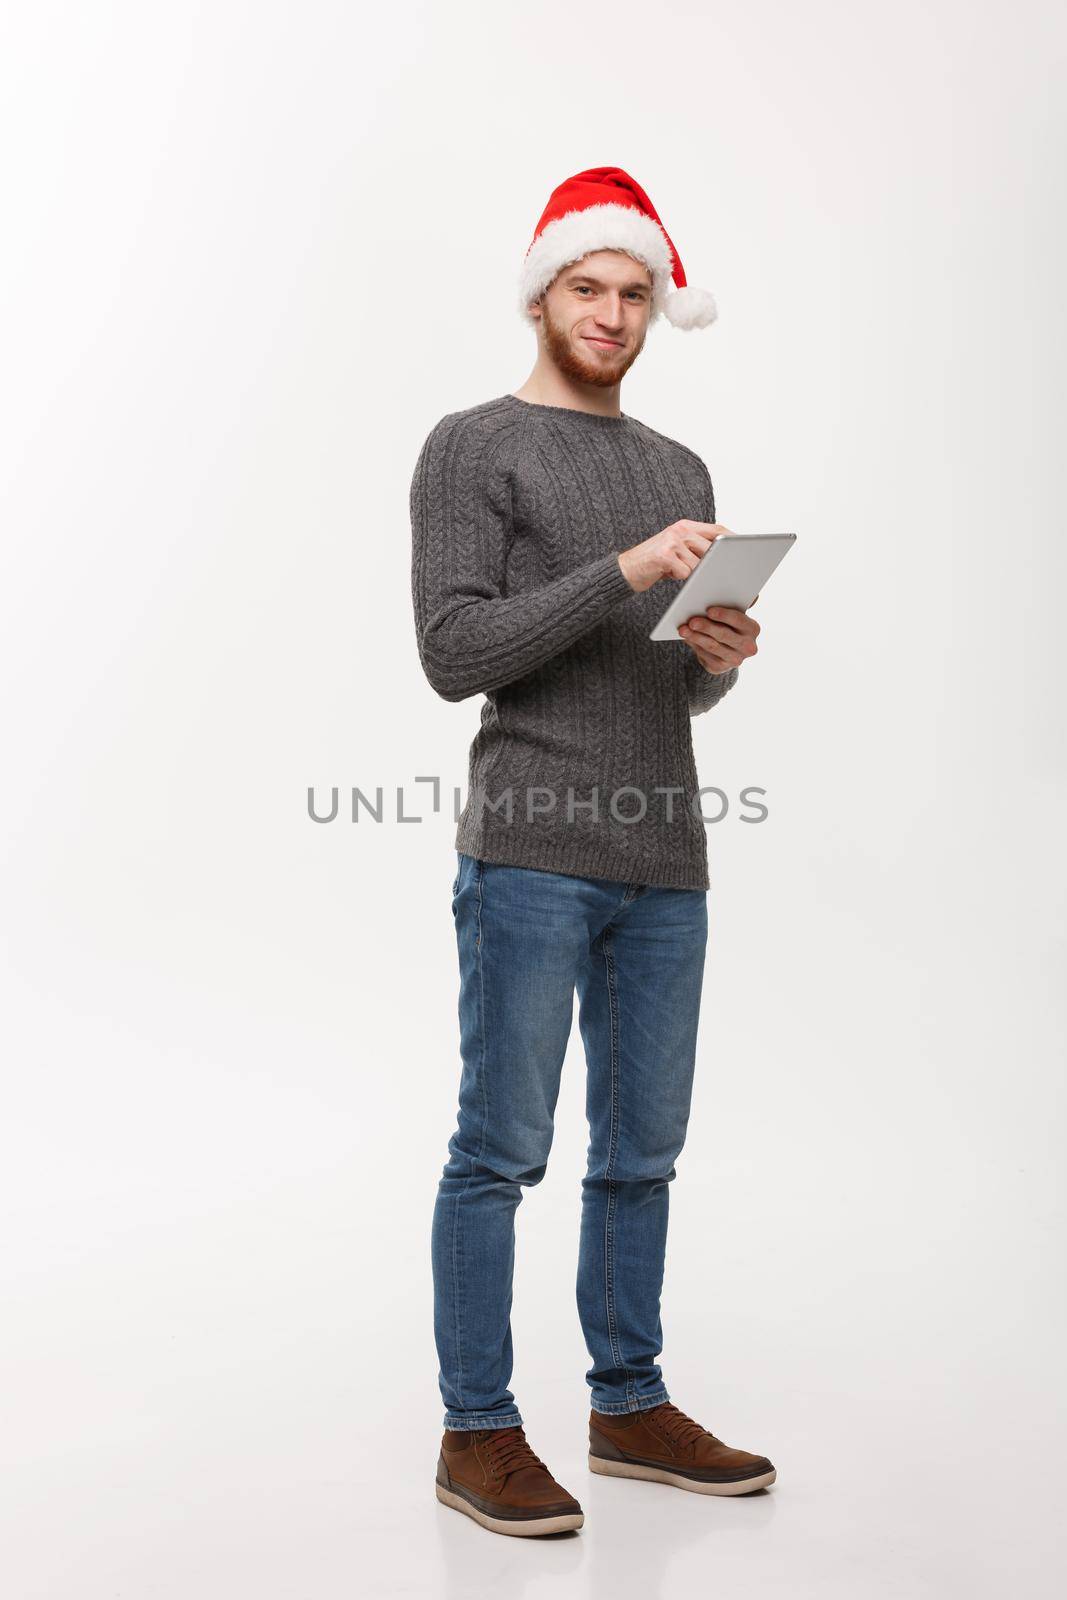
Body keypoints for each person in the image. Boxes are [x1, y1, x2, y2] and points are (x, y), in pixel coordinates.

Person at [409, 167, 776, 1538]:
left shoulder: (679, 470)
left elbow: (658, 692)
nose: (612, 312)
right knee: (500, 1147)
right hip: (529, 850)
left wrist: (716, 659)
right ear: (543, 292)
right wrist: (623, 573)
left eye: (634, 293)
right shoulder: (473, 445)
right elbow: (456, 656)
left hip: (664, 858)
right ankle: (476, 1432)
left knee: (642, 1151)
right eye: (588, 287)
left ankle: (628, 1403)